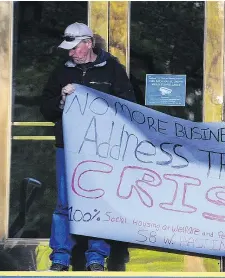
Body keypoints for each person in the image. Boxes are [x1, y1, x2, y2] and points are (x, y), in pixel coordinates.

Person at [40, 22, 136, 271]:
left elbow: (128, 105)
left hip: (101, 148)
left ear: (88, 44)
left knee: (98, 199)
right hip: (68, 146)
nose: (70, 53)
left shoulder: (113, 69)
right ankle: (60, 257)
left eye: (74, 48)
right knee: (63, 203)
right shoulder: (61, 72)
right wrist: (62, 99)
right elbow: (45, 108)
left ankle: (96, 257)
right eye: (68, 49)